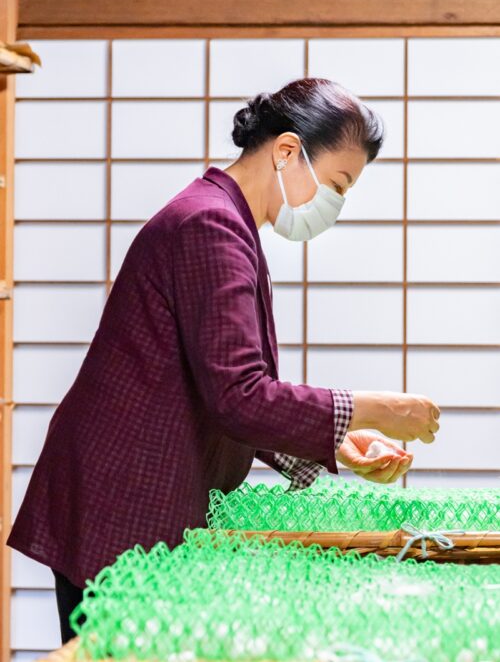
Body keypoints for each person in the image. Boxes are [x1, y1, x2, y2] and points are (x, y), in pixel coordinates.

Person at [7, 77, 440, 644]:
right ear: (287, 151)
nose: (335, 205)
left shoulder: (223, 219)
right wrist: (369, 409)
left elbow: (220, 384)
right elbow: (238, 396)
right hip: (123, 498)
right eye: (338, 184)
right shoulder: (211, 224)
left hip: (130, 488)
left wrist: (336, 441)